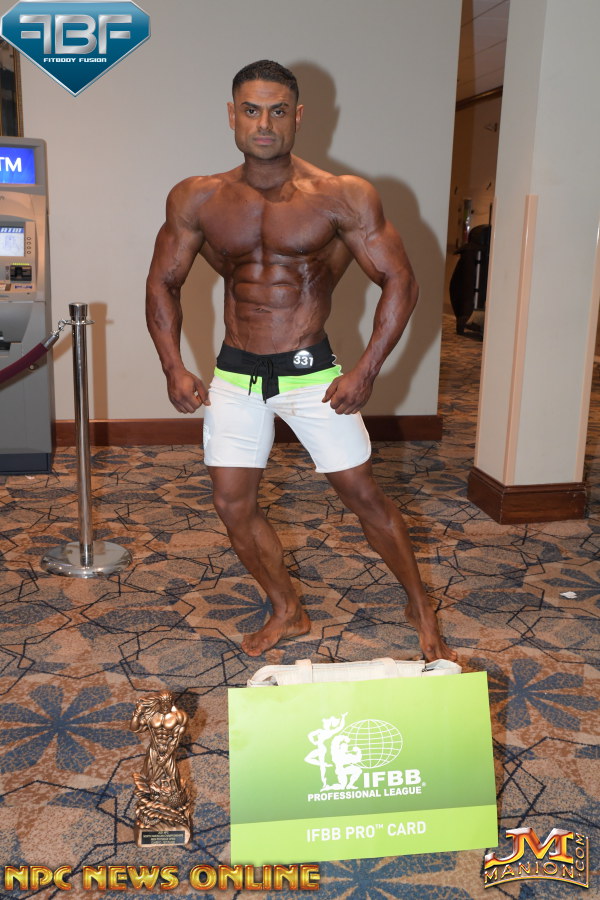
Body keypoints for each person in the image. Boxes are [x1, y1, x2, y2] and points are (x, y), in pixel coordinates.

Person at [146, 59, 456, 663]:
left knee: (363, 496)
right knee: (231, 504)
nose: (264, 123)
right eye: (251, 110)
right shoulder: (198, 197)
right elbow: (163, 280)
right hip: (236, 374)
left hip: (312, 374)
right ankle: (286, 607)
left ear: (298, 117)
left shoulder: (342, 195)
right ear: (232, 115)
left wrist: (366, 369)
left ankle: (419, 605)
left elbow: (401, 280)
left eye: (278, 111)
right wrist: (172, 366)